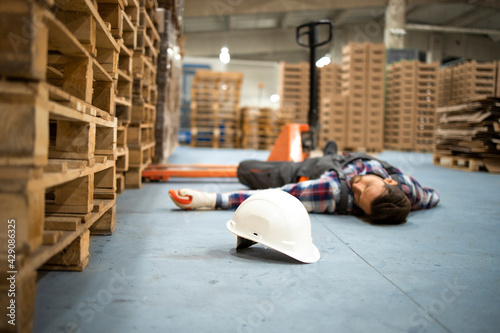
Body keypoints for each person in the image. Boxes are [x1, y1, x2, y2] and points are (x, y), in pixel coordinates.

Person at [168, 150, 440, 224]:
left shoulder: (333, 194)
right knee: (333, 154)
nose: (356, 186)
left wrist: (208, 199)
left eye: (359, 199)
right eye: (366, 183)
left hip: (314, 172)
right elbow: (434, 196)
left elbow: (279, 195)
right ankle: (332, 150)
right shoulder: (411, 191)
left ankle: (326, 153)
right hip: (345, 159)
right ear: (391, 181)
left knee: (248, 169)